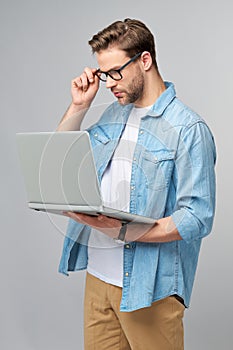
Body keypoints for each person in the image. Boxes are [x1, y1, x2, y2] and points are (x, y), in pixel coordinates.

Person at [57, 18, 216, 350]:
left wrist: (124, 231)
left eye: (115, 72)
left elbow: (197, 216)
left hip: (149, 289)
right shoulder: (113, 115)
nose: (109, 84)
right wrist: (79, 106)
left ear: (145, 60)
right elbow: (60, 163)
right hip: (99, 280)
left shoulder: (188, 129)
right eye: (103, 75)